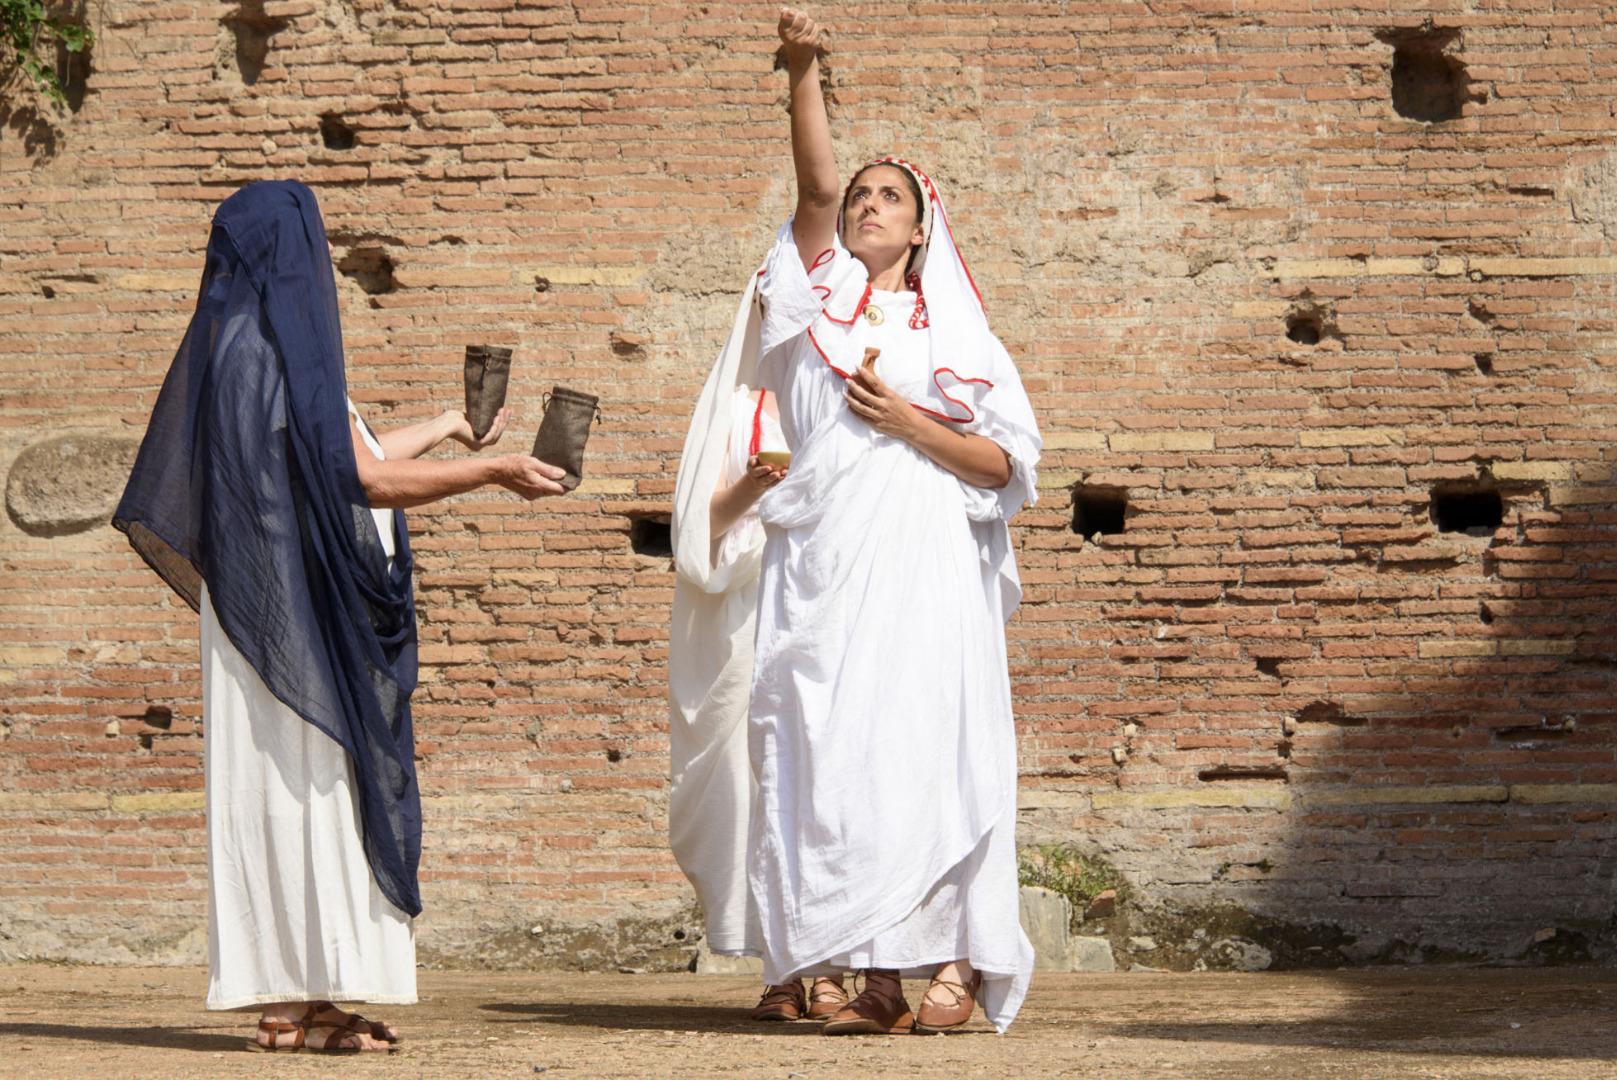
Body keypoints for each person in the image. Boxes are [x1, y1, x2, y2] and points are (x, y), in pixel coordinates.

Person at [113, 180, 565, 1053]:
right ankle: (288, 1000)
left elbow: (343, 456)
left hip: (292, 615)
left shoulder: (259, 350)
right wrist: (491, 473)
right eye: (311, 248)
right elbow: (355, 483)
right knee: (298, 793)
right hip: (285, 626)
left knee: (315, 794)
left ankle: (314, 995)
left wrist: (445, 428)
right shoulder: (258, 359)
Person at [670, 7, 1041, 1036]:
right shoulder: (808, 307)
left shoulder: (957, 335)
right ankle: (863, 969)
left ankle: (954, 964)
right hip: (821, 562)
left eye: (894, 198)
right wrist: (804, 75)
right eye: (865, 195)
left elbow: (1005, 462)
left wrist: (913, 422)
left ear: (923, 228)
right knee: (828, 747)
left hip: (923, 560)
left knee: (924, 742)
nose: (871, 205)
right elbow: (816, 189)